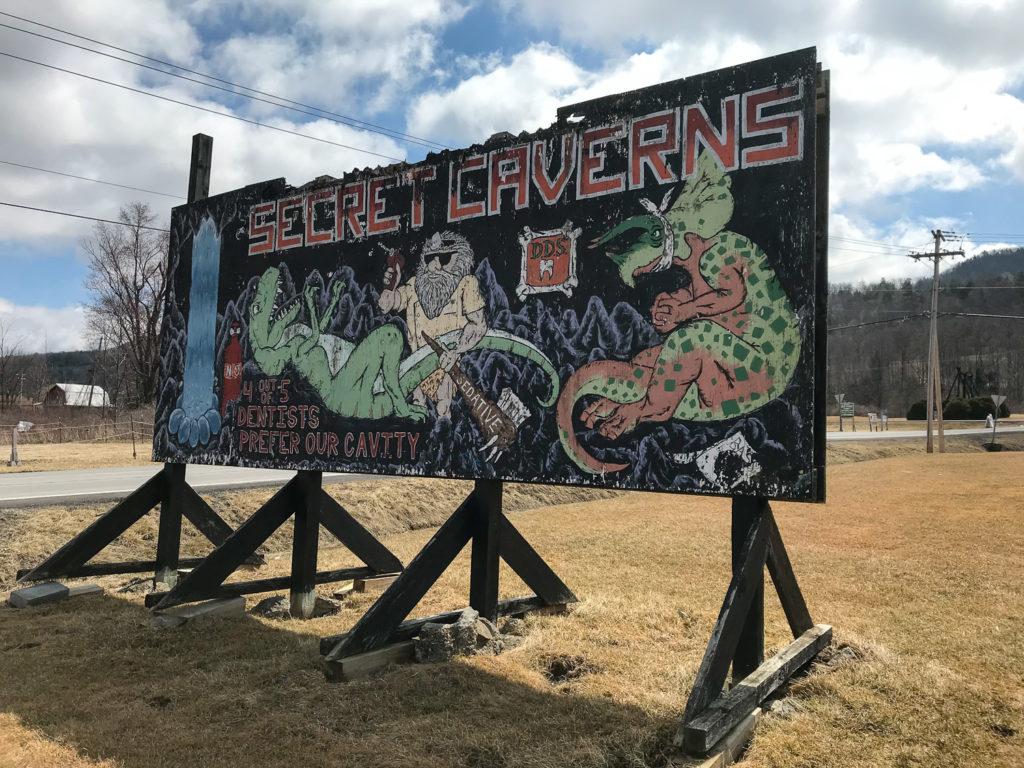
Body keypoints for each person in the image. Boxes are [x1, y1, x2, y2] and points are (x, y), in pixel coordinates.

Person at [379, 231, 487, 419]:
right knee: (418, 412)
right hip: (419, 366)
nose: (434, 266)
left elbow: (478, 326)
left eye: (444, 258)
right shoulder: (415, 286)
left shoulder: (465, 284)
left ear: (459, 257)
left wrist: (457, 351)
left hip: (450, 367)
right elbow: (387, 304)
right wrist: (391, 286)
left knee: (443, 411)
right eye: (430, 259)